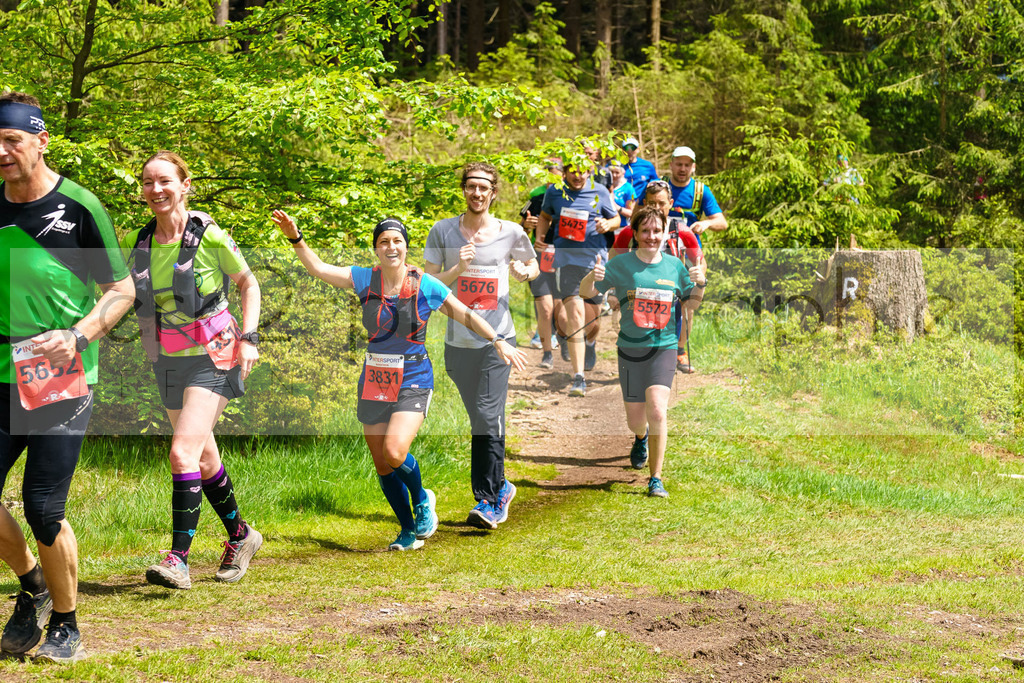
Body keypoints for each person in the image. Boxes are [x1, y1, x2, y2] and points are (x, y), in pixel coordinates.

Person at [271, 211, 527, 549]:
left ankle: (422, 500)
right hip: (376, 378)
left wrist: (497, 340)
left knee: (394, 450)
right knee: (382, 462)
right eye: (384, 242)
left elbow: (465, 313)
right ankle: (407, 529)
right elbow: (318, 269)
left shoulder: (425, 283)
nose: (391, 247)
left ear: (406, 247)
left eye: (397, 241)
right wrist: (295, 237)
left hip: (414, 377)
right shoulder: (364, 278)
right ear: (376, 249)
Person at [0, 91, 134, 662]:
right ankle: (31, 585)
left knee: (43, 506)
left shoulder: (79, 207)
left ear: (40, 140)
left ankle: (66, 621)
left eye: (12, 140)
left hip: (62, 374)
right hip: (2, 371)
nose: (2, 152)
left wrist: (78, 335)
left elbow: (122, 290)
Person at [121, 152, 263, 591]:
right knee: (202, 457)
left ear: (185, 185)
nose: (155, 190)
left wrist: (250, 338)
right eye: (147, 182)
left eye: (165, 181)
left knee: (182, 454)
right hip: (168, 360)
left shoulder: (210, 236)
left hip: (214, 356)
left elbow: (248, 284)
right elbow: (129, 295)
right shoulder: (138, 241)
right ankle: (241, 535)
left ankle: (177, 559)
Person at [424, 163, 538, 529]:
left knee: (488, 417)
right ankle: (502, 486)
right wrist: (456, 269)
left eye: (484, 188)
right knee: (480, 421)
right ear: (464, 190)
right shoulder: (442, 231)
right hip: (458, 343)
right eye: (471, 187)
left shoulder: (512, 232)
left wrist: (525, 272)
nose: (477, 193)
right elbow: (427, 282)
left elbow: (531, 264)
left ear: (493, 193)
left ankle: (488, 500)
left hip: (498, 341)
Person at [581, 205, 706, 498]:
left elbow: (693, 304)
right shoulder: (621, 265)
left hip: (663, 347)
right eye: (646, 231)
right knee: (635, 419)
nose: (652, 236)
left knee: (658, 410)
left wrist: (700, 282)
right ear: (635, 234)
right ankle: (640, 436)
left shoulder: (674, 266)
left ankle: (656, 478)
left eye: (657, 231)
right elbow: (588, 293)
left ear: (664, 234)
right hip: (629, 349)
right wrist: (591, 276)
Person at [534, 160, 620, 396]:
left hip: (596, 263)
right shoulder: (555, 192)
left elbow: (617, 220)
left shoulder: (599, 191)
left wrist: (607, 224)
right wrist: (540, 237)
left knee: (592, 318)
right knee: (576, 316)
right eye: (572, 171)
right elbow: (544, 215)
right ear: (565, 172)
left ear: (589, 171)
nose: (578, 176)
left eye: (582, 171)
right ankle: (579, 376)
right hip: (568, 262)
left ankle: (589, 343)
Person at [614, 179, 705, 373]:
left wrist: (698, 276)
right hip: (639, 288)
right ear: (644, 203)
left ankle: (679, 352)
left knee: (681, 316)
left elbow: (700, 260)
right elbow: (613, 258)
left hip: (671, 290)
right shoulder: (630, 232)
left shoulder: (681, 231)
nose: (657, 207)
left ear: (670, 204)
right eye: (652, 203)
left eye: (661, 203)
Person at [520, 160, 567, 368]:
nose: (551, 178)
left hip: (563, 258)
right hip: (537, 257)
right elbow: (521, 226)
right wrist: (526, 226)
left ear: (563, 175)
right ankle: (547, 352)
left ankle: (565, 341)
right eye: (548, 174)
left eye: (555, 173)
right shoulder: (535, 197)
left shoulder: (569, 197)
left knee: (560, 308)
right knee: (544, 307)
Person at [646, 146, 727, 246]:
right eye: (679, 164)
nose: (683, 169)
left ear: (693, 167)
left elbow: (722, 223)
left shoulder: (701, 191)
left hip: (689, 251)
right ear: (671, 165)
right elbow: (636, 214)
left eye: (687, 165)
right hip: (656, 248)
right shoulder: (655, 186)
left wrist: (706, 223)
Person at [608, 160, 637, 231]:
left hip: (621, 228)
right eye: (611, 172)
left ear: (622, 173)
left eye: (617, 172)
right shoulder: (604, 187)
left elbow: (632, 213)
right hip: (606, 226)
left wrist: (617, 208)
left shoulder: (628, 188)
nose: (614, 175)